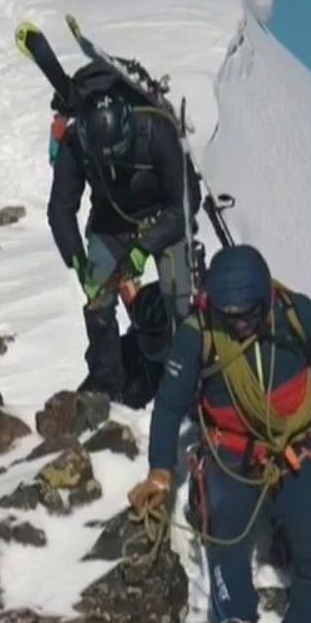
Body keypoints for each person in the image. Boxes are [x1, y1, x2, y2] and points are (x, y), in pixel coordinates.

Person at [127, 245, 311, 623]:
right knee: (225, 532)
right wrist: (161, 472)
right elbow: (169, 405)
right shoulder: (199, 332)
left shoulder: (294, 312)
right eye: (229, 315)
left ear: (264, 299)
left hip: (295, 449)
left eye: (247, 314)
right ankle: (234, 622)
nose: (238, 323)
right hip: (231, 451)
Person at [47, 66, 196, 400]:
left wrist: (144, 247)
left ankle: (192, 378)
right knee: (97, 302)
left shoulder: (158, 130)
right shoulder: (75, 145)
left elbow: (186, 204)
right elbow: (60, 210)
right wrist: (77, 259)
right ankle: (106, 384)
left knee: (180, 298)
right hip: (110, 223)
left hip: (163, 220)